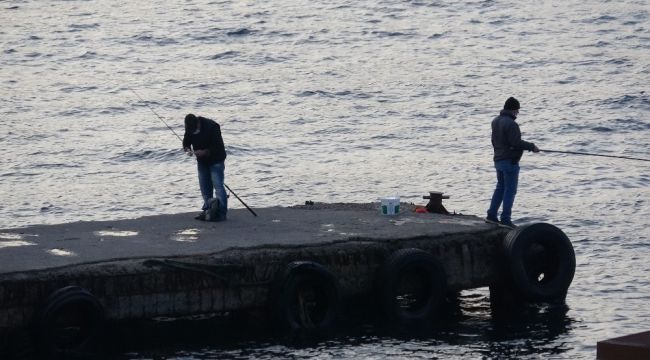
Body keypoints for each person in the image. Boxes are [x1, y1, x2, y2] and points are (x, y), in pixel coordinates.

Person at [485, 97, 539, 229]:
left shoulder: (495, 121)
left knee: (500, 187)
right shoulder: (511, 124)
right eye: (517, 111)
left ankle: (491, 215)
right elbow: (516, 143)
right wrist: (532, 146)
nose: (517, 114)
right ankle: (505, 218)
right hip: (509, 161)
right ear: (514, 110)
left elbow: (494, 141)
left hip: (498, 159)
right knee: (510, 190)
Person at [183, 113, 228, 221]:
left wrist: (205, 152)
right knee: (204, 187)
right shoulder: (190, 128)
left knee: (218, 186)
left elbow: (218, 146)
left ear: (198, 124)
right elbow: (186, 142)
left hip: (216, 160)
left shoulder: (212, 127)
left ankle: (221, 213)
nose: (193, 132)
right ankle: (208, 210)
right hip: (202, 162)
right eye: (190, 131)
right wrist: (187, 149)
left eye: (194, 130)